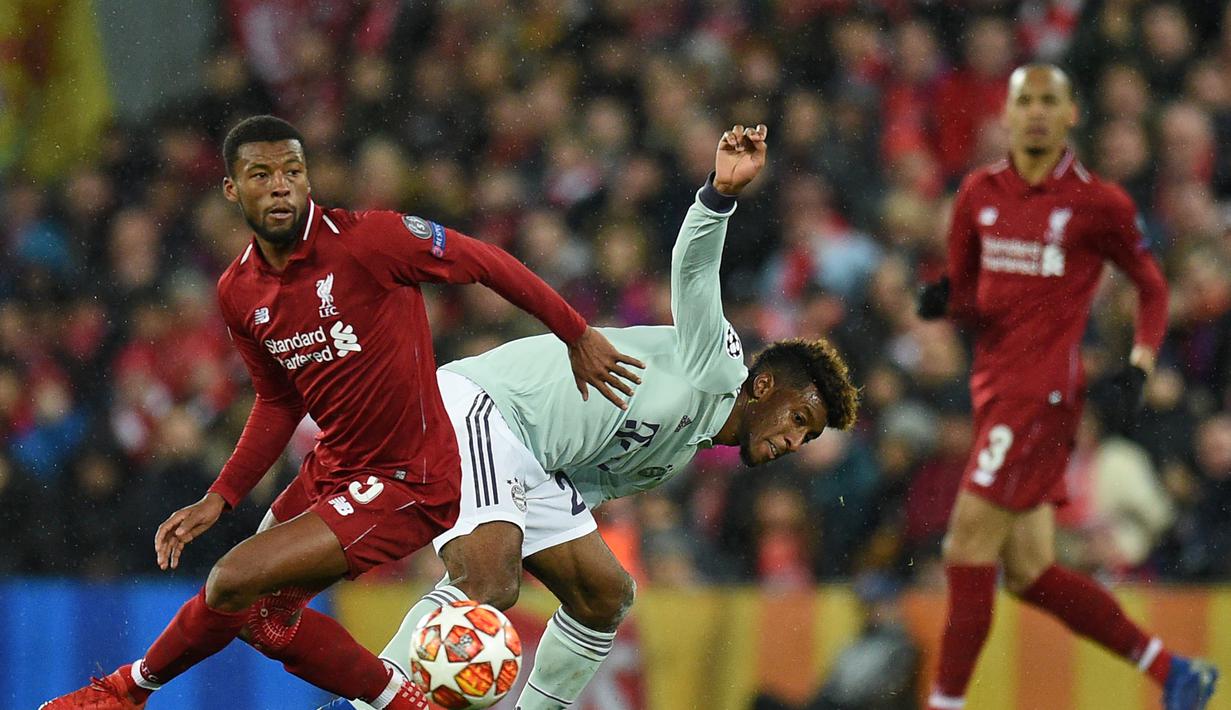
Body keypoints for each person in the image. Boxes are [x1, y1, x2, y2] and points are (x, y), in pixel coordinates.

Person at [41, 115, 642, 710]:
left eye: (292, 171)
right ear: (232, 189)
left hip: (411, 476)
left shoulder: (369, 240)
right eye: (260, 173)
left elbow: (484, 261)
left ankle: (124, 692)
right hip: (336, 465)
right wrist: (219, 496)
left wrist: (576, 333)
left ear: (308, 179)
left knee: (231, 578)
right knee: (261, 618)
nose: (279, 185)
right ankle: (407, 705)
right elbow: (279, 402)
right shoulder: (237, 292)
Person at [324, 124, 860, 710]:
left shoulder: (683, 448)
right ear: (764, 386)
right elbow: (694, 271)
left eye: (808, 436)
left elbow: (575, 484)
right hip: (485, 406)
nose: (795, 439)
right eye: (799, 417)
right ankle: (361, 706)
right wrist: (718, 197)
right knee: (488, 585)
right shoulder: (720, 363)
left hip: (533, 456)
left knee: (604, 594)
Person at [915, 65, 1218, 710]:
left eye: (1050, 101)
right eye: (1025, 101)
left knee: (966, 545)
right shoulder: (977, 194)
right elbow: (969, 297)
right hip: (994, 393)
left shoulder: (1097, 204)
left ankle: (944, 704)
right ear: (1009, 111)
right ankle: (1175, 673)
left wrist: (1140, 362)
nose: (1036, 113)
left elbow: (1152, 286)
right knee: (1029, 574)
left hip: (1043, 400)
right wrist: (944, 301)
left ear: (1072, 113)